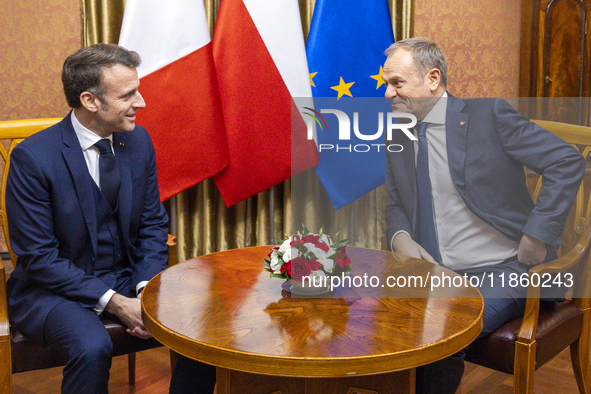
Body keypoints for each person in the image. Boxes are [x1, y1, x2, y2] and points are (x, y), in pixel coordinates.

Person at [4, 43, 214, 394]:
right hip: (52, 291)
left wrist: (146, 291)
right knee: (91, 346)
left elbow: (152, 226)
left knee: (203, 327)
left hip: (127, 278)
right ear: (90, 101)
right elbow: (39, 258)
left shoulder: (139, 141)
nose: (141, 103)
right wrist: (115, 303)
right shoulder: (33, 159)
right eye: (128, 95)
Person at [382, 37, 585, 394]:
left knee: (442, 331)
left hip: (505, 268)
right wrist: (401, 238)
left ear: (433, 79)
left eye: (397, 83)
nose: (388, 93)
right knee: (374, 320)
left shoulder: (488, 115)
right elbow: (396, 202)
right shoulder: (398, 131)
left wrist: (537, 235)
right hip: (435, 272)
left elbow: (566, 162)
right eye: (387, 83)